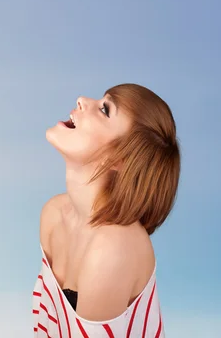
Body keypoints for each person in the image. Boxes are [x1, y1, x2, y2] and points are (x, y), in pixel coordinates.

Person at [32, 83, 180, 337]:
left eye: (104, 109)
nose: (81, 99)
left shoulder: (114, 248)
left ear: (120, 159)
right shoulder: (54, 214)